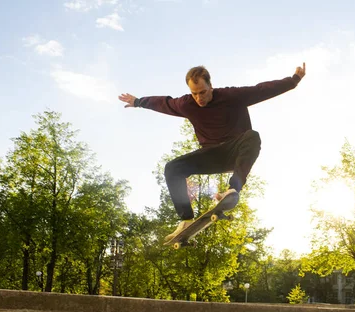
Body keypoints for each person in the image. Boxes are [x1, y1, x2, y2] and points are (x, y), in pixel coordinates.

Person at [118, 63, 306, 243]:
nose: (199, 98)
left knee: (252, 136)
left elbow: (260, 90)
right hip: (211, 155)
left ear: (211, 86)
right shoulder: (186, 104)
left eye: (203, 92)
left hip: (235, 150)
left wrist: (293, 80)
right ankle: (185, 219)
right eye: (194, 93)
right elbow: (163, 103)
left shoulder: (231, 96)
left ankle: (232, 190)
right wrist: (138, 102)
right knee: (172, 168)